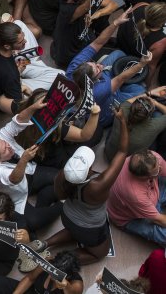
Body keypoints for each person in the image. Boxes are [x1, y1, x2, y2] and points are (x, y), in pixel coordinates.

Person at [44, 110, 129, 265]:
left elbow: (61, 196)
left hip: (67, 216)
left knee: (73, 230)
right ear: (89, 170)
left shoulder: (62, 175)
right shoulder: (98, 185)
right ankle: (58, 260)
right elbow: (122, 151)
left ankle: (45, 243)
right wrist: (122, 121)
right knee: (100, 253)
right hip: (89, 229)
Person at [0, 99, 63, 231]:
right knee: (34, 222)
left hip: (26, 172)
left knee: (59, 177)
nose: (9, 146)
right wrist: (24, 160)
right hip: (8, 192)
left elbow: (18, 121)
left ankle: (44, 199)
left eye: (6, 143)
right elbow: (14, 179)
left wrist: (33, 107)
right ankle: (62, 205)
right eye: (6, 150)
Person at [67, 9, 151, 129]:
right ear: (92, 82)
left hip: (105, 83)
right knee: (140, 90)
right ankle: (114, 106)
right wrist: (141, 64)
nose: (100, 65)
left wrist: (116, 23)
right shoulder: (97, 92)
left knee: (118, 53)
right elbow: (121, 78)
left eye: (94, 63)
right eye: (97, 69)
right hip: (105, 107)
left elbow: (97, 43)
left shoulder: (74, 68)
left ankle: (115, 86)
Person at [107, 149, 166, 246]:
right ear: (143, 177)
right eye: (156, 173)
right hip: (131, 218)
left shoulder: (153, 159)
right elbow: (158, 219)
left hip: (152, 193)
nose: (160, 169)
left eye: (158, 166)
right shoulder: (134, 193)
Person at [106, 89, 166, 161]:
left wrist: (148, 93)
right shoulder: (154, 126)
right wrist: (155, 103)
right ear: (149, 115)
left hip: (108, 153)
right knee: (158, 114)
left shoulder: (123, 108)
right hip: (126, 163)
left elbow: (131, 100)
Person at [0, 251, 84, 293]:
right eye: (53, 269)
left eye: (57, 274)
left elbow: (73, 293)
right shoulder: (47, 264)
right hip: (33, 292)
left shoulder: (76, 283)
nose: (53, 275)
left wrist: (66, 286)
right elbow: (30, 278)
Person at [118, 2, 166, 86]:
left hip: (121, 41)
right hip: (133, 58)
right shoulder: (160, 41)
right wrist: (147, 86)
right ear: (161, 23)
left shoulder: (141, 5)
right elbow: (151, 66)